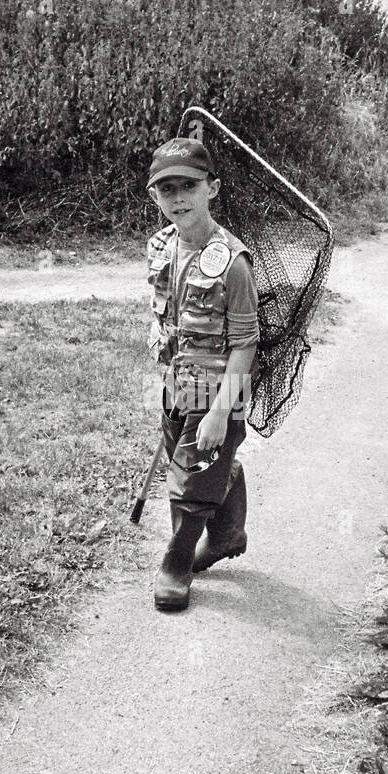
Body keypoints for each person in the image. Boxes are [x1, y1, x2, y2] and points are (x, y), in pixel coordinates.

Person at [144, 137, 258, 612]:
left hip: (217, 392)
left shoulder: (232, 264)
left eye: (188, 185)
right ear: (155, 197)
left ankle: (177, 562)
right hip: (177, 384)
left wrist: (218, 414)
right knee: (187, 462)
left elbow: (245, 344)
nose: (178, 198)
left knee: (190, 482)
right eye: (166, 189)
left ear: (212, 188)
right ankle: (228, 532)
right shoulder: (161, 247)